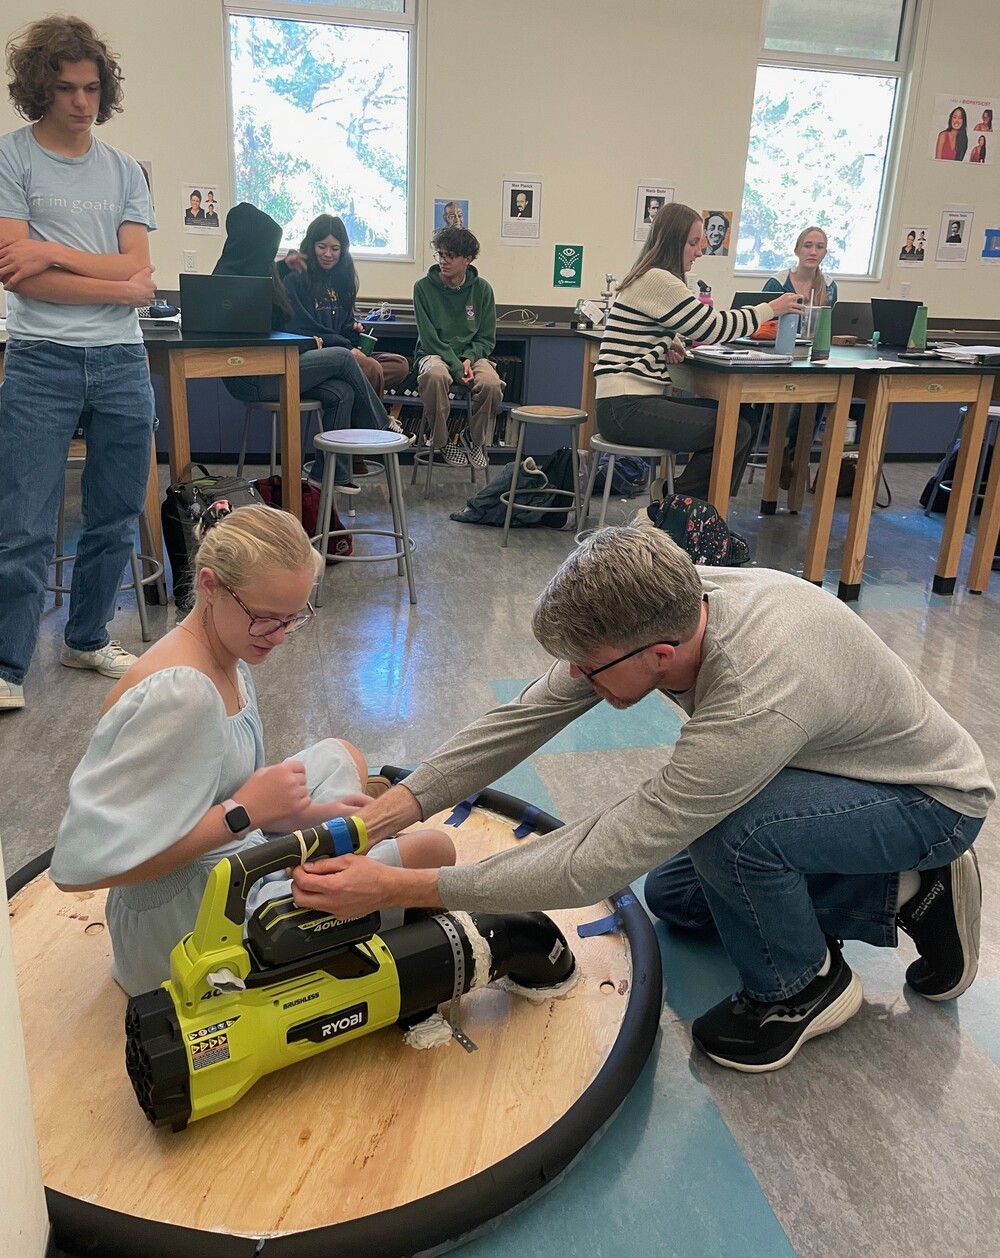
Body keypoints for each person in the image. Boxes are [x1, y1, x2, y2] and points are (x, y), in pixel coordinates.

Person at [289, 526, 992, 1074]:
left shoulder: (755, 695)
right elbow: (520, 718)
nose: (572, 676)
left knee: (732, 838)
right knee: (683, 900)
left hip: (926, 800)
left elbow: (603, 857)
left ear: (657, 654)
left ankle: (805, 987)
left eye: (587, 667)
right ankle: (908, 893)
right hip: (829, 768)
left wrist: (403, 884)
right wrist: (388, 813)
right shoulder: (668, 603)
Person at [49, 503, 455, 996]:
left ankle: (320, 856)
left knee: (340, 753)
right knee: (436, 850)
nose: (281, 637)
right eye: (266, 619)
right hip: (189, 929)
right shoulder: (183, 694)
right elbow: (78, 868)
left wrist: (299, 814)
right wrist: (244, 813)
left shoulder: (228, 654)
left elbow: (210, 789)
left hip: (227, 861)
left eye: (294, 618)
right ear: (210, 586)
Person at [0, 15, 157, 713]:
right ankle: (7, 665)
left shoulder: (125, 169)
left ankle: (87, 636)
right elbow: (19, 275)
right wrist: (114, 283)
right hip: (40, 359)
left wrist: (54, 250)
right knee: (26, 523)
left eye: (92, 88)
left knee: (115, 513)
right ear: (41, 88)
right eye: (66, 88)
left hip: (122, 360)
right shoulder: (13, 159)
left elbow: (142, 278)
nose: (81, 102)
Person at [592, 202, 800, 502]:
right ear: (673, 242)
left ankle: (693, 504)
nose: (699, 252)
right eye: (693, 243)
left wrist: (665, 344)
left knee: (746, 420)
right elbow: (711, 328)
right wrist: (770, 308)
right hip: (625, 407)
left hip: (624, 404)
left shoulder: (652, 277)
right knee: (735, 429)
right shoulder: (658, 279)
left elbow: (651, 332)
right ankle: (676, 506)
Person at [214, 202, 394, 494]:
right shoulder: (230, 282)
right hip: (255, 377)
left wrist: (282, 267)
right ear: (254, 247)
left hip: (280, 366)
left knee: (343, 392)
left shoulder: (269, 275)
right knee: (343, 357)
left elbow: (278, 320)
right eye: (269, 250)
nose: (274, 256)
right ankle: (380, 427)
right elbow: (280, 326)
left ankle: (330, 475)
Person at [282, 213, 409, 398]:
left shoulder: (343, 278)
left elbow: (342, 325)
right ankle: (374, 423)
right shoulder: (295, 279)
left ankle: (349, 382)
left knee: (400, 365)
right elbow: (302, 328)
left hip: (344, 351)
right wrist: (347, 348)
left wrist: (352, 328)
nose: (328, 254)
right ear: (311, 246)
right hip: (316, 355)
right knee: (372, 369)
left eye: (335, 248)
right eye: (322, 247)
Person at [413, 225, 503, 469]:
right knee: (434, 374)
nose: (444, 261)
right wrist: (456, 365)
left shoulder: (483, 290)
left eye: (450, 256)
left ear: (468, 259)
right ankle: (441, 440)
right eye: (441, 254)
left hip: (472, 356)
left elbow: (486, 339)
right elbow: (429, 340)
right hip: (435, 354)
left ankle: (472, 438)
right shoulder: (422, 288)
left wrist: (468, 358)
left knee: (492, 384)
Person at [764, 225, 840, 484]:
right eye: (808, 245)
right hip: (780, 354)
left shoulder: (829, 286)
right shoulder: (777, 282)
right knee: (794, 395)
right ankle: (786, 450)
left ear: (825, 253)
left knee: (820, 394)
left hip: (812, 356)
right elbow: (765, 324)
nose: (813, 251)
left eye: (819, 247)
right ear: (797, 250)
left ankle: (797, 456)